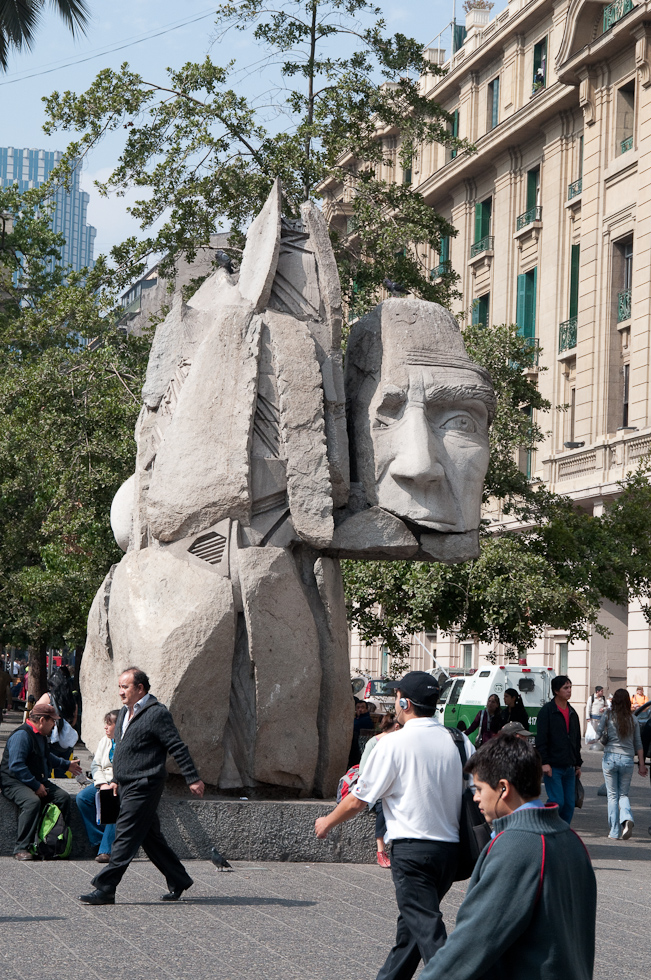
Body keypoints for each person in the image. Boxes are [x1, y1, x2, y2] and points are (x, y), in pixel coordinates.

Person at [315, 671, 474, 980]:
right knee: (412, 929)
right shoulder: (459, 741)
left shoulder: (393, 744)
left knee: (426, 928)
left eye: (397, 696)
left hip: (412, 853)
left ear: (405, 702)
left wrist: (327, 822)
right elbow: (480, 787)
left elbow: (358, 800)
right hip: (451, 853)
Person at [419, 735, 596, 980]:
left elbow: (474, 939)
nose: (475, 797)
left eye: (480, 788)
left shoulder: (517, 844)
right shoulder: (571, 839)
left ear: (503, 788)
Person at [79, 667, 205, 906]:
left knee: (124, 834)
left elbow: (177, 746)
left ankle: (106, 888)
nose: (120, 692)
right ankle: (179, 879)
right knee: (150, 838)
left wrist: (192, 778)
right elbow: (125, 751)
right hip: (127, 784)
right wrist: (116, 779)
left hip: (145, 784)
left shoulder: (156, 713)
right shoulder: (126, 714)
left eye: (125, 687)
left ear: (140, 688)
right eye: (119, 687)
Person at [0, 702, 82, 860]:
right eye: (53, 721)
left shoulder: (41, 735)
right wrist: (36, 786)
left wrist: (66, 765)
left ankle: (55, 842)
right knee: (32, 802)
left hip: (34, 779)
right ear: (43, 720)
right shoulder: (22, 735)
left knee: (63, 798)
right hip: (13, 781)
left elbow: (46, 756)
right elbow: (17, 766)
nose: (54, 726)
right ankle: (21, 847)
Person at [595, 688, 647, 839]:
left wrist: (603, 735)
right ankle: (627, 818)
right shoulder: (634, 719)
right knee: (623, 794)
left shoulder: (608, 715)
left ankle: (614, 831)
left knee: (612, 795)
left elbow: (598, 734)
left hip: (610, 758)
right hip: (627, 760)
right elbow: (639, 744)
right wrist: (642, 764)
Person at [535, 674, 582, 824]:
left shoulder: (572, 712)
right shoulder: (547, 711)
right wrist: (544, 762)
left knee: (569, 804)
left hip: (569, 766)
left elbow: (575, 739)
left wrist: (577, 763)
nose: (569, 691)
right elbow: (541, 739)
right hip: (553, 766)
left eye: (570, 687)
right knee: (557, 802)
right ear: (556, 691)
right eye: (565, 688)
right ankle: (547, 827)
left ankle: (562, 833)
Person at [358, 714, 402, 868]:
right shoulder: (374, 742)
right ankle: (381, 851)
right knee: (383, 807)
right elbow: (363, 771)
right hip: (375, 790)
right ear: (396, 727)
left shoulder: (399, 743)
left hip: (394, 787)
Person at [75, 709, 120, 862]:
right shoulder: (104, 741)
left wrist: (114, 782)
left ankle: (106, 850)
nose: (105, 728)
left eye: (109, 724)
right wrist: (101, 783)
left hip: (118, 783)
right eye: (105, 724)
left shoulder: (127, 742)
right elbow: (96, 765)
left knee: (111, 802)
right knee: (82, 798)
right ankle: (99, 840)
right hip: (103, 782)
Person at [348, 700, 375, 767]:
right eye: (358, 707)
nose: (360, 709)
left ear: (366, 709)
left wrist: (357, 717)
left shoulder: (366, 719)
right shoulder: (357, 718)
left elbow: (354, 725)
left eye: (362, 707)